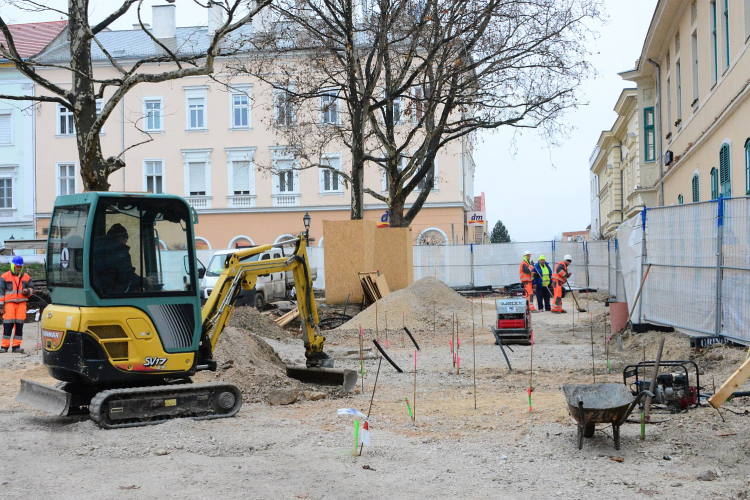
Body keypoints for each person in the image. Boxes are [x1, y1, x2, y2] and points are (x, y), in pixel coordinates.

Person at [94, 223, 151, 294]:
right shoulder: (118, 250)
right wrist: (144, 281)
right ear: (119, 237)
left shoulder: (98, 248)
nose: (126, 240)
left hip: (104, 291)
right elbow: (126, 274)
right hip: (116, 293)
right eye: (125, 236)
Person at [0, 256, 34, 353]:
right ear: (13, 265)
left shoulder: (27, 277)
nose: (18, 268)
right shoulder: (4, 277)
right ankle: (4, 346)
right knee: (7, 325)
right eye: (17, 266)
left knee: (19, 326)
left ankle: (16, 346)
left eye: (20, 266)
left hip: (21, 304)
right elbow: (1, 293)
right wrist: (1, 306)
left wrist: (27, 291)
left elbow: (32, 290)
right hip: (9, 304)